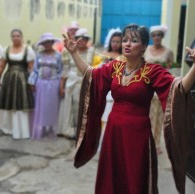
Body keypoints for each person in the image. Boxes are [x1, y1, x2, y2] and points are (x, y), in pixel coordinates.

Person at [63, 23, 195, 194]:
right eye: (125, 40)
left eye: (133, 40)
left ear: (143, 47)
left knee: (135, 176)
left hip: (138, 134)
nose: (127, 44)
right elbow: (91, 76)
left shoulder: (151, 71)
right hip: (113, 132)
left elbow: (179, 89)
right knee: (112, 175)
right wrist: (74, 53)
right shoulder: (114, 67)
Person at [0, 29, 35, 139]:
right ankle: (9, 127)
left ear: (22, 37)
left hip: (23, 79)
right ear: (11, 37)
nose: (16, 38)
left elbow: (31, 67)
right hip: (9, 79)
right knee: (9, 102)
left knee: (21, 103)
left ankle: (22, 129)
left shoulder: (28, 49)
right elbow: (2, 66)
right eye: (13, 36)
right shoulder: (6, 49)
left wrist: (32, 81)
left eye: (18, 36)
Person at [58, 28, 94, 138]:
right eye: (79, 38)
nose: (82, 41)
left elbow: (88, 66)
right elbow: (65, 69)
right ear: (76, 39)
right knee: (68, 105)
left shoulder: (90, 51)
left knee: (82, 106)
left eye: (85, 39)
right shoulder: (67, 51)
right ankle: (68, 130)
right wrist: (62, 85)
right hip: (71, 81)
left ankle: (81, 131)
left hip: (83, 81)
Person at [144, 25, 174, 154]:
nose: (157, 37)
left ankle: (156, 143)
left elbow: (170, 68)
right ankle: (145, 141)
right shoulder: (145, 50)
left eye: (159, 35)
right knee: (147, 115)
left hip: (161, 86)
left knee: (159, 116)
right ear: (151, 37)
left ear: (162, 37)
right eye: (154, 35)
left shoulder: (168, 52)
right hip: (146, 85)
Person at [28, 32, 63, 139]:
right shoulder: (39, 55)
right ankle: (41, 128)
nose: (47, 44)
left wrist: (61, 85)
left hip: (53, 84)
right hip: (41, 83)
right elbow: (35, 70)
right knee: (41, 106)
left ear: (52, 42)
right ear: (42, 44)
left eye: (49, 42)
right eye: (45, 42)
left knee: (52, 106)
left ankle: (51, 128)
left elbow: (61, 70)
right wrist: (32, 82)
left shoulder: (58, 55)